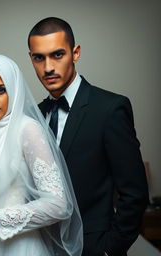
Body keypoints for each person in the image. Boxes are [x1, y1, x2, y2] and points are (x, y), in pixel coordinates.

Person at [28, 17, 149, 256]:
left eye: (57, 55)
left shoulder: (110, 108)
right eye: (39, 58)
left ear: (75, 53)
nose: (48, 67)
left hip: (93, 247)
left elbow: (135, 193)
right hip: (41, 247)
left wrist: (109, 250)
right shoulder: (34, 118)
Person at [0, 55, 83, 256]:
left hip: (16, 247)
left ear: (14, 90)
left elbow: (58, 205)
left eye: (0, 90)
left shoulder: (28, 130)